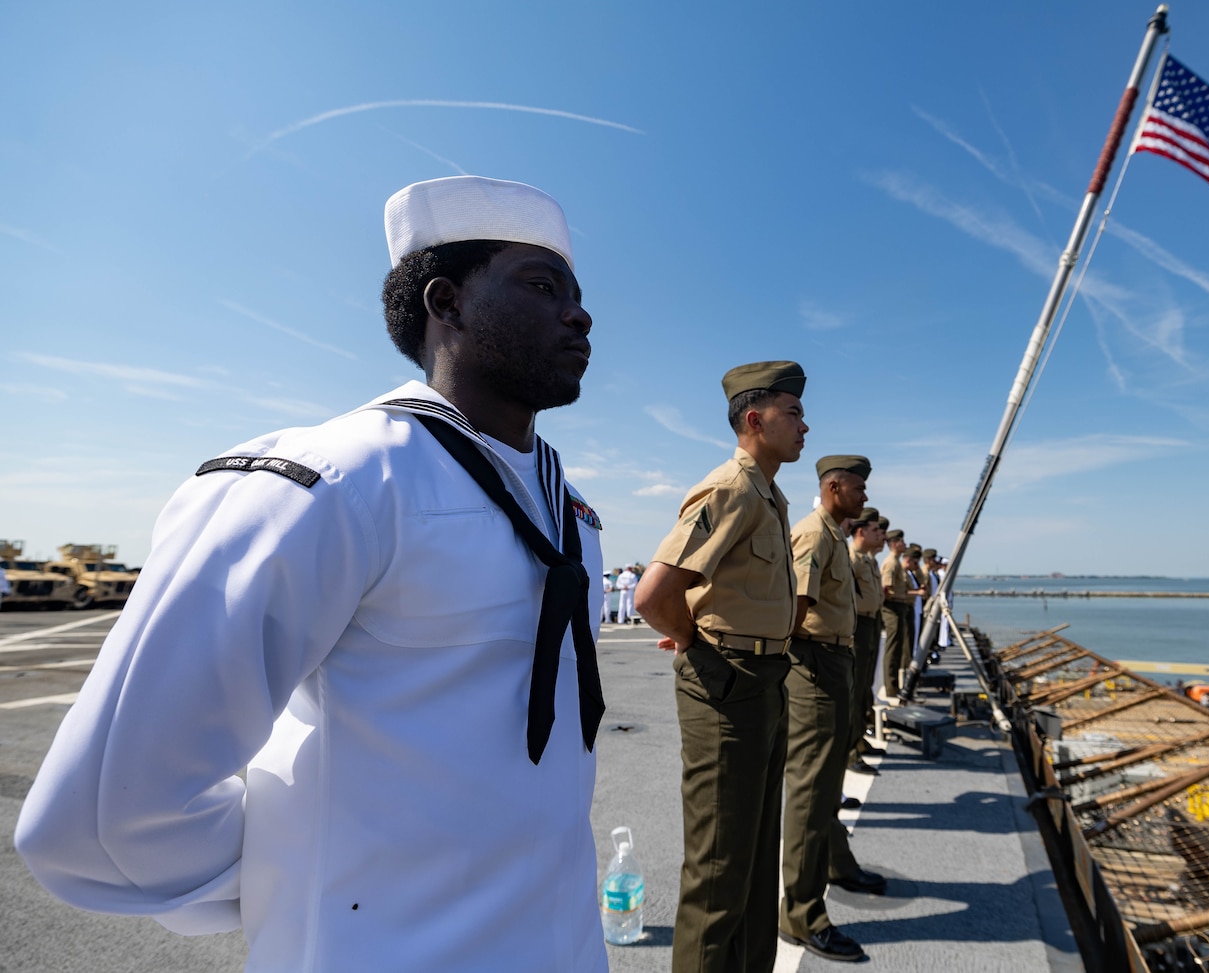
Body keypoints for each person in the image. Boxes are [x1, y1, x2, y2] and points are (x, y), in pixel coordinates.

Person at [16, 175, 609, 972]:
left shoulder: (570, 510)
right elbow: (105, 818)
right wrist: (310, 882)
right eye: (543, 286)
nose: (580, 313)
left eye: (577, 293)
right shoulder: (334, 481)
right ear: (447, 303)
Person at [635, 361, 806, 973]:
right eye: (793, 413)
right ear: (755, 419)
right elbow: (652, 596)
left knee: (757, 861)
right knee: (718, 870)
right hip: (729, 683)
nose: (805, 426)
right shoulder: (731, 488)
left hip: (764, 680)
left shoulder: (769, 492)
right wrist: (696, 644)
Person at [779, 455, 875, 962]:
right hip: (814, 664)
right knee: (810, 793)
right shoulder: (814, 535)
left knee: (828, 781)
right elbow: (794, 610)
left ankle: (837, 863)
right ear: (834, 487)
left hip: (836, 659)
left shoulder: (835, 534)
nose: (863, 497)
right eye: (857, 489)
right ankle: (801, 914)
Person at [846, 509, 885, 772]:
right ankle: (850, 752)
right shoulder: (852, 558)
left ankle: (859, 739)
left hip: (870, 623)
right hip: (857, 626)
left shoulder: (867, 560)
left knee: (864, 688)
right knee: (855, 689)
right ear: (861, 532)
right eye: (876, 531)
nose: (880, 535)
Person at [879, 529, 913, 699]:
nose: (904, 544)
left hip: (899, 607)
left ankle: (895, 685)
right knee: (892, 649)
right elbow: (887, 591)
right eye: (901, 541)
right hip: (892, 608)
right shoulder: (891, 563)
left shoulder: (897, 563)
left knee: (898, 647)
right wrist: (906, 596)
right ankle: (891, 687)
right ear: (894, 544)